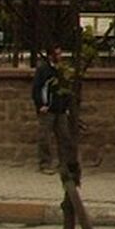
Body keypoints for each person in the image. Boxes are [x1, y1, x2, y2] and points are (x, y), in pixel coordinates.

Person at [30, 45, 67, 174]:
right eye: (57, 54)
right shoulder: (43, 70)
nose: (60, 56)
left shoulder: (61, 70)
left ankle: (64, 163)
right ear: (51, 56)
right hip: (47, 109)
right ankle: (45, 163)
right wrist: (40, 105)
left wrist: (66, 106)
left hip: (60, 109)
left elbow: (65, 89)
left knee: (63, 136)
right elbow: (36, 89)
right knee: (44, 137)